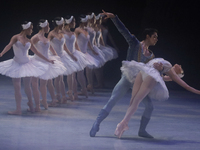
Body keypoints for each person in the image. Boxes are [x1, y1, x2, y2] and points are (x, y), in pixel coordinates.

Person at [90, 10, 163, 138]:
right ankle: (97, 123)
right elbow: (124, 31)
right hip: (127, 78)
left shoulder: (151, 55)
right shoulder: (135, 44)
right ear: (147, 36)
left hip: (139, 84)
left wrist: (160, 71)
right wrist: (114, 18)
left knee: (150, 106)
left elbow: (151, 72)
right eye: (154, 36)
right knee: (113, 100)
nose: (156, 39)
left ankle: (142, 130)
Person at [115, 58, 200, 138]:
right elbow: (163, 76)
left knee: (136, 100)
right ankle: (123, 124)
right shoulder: (164, 71)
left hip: (150, 74)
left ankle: (122, 124)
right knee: (133, 100)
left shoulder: (171, 72)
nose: (180, 66)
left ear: (177, 73)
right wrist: (161, 69)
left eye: (181, 69)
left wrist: (198, 92)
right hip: (144, 70)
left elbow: (186, 86)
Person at [0, 21, 54, 115]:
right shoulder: (16, 37)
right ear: (26, 28)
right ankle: (18, 109)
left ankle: (32, 106)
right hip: (16, 64)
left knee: (27, 87)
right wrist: (1, 53)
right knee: (17, 87)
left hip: (27, 64)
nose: (32, 30)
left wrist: (48, 60)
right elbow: (8, 46)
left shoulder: (29, 41)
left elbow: (37, 52)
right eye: (31, 28)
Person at [31, 19, 67, 109]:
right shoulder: (36, 37)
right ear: (44, 26)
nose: (49, 27)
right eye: (48, 26)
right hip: (39, 62)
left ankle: (48, 102)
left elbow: (51, 48)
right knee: (38, 83)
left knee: (46, 83)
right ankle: (40, 104)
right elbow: (30, 46)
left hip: (46, 61)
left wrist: (56, 56)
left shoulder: (45, 38)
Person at [48, 17, 78, 104]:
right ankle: (59, 95)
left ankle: (63, 96)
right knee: (58, 78)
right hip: (55, 57)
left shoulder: (61, 34)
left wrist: (71, 55)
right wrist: (53, 55)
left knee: (61, 78)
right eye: (63, 24)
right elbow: (47, 44)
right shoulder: (51, 34)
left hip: (63, 56)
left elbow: (64, 46)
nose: (64, 26)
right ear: (59, 24)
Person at [62, 16, 91, 100]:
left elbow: (76, 45)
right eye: (73, 21)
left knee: (78, 74)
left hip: (74, 53)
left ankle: (81, 91)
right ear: (69, 22)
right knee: (71, 75)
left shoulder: (72, 33)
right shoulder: (62, 32)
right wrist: (70, 55)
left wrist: (81, 54)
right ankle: (72, 93)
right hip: (67, 55)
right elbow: (63, 46)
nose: (75, 23)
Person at [75, 14, 100, 98]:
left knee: (88, 70)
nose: (87, 23)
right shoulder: (78, 30)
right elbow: (75, 42)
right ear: (82, 22)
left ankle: (87, 87)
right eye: (86, 21)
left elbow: (88, 42)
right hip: (79, 52)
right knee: (80, 72)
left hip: (85, 52)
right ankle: (83, 89)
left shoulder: (86, 30)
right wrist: (78, 52)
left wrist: (92, 50)